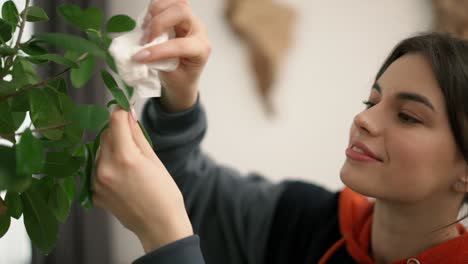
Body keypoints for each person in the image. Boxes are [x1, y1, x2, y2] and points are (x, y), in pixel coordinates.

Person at [92, 0, 468, 263]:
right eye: (372, 102)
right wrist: (180, 94)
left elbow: (175, 213)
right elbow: (189, 190)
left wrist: (167, 242)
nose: (363, 120)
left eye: (407, 116)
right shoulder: (305, 218)